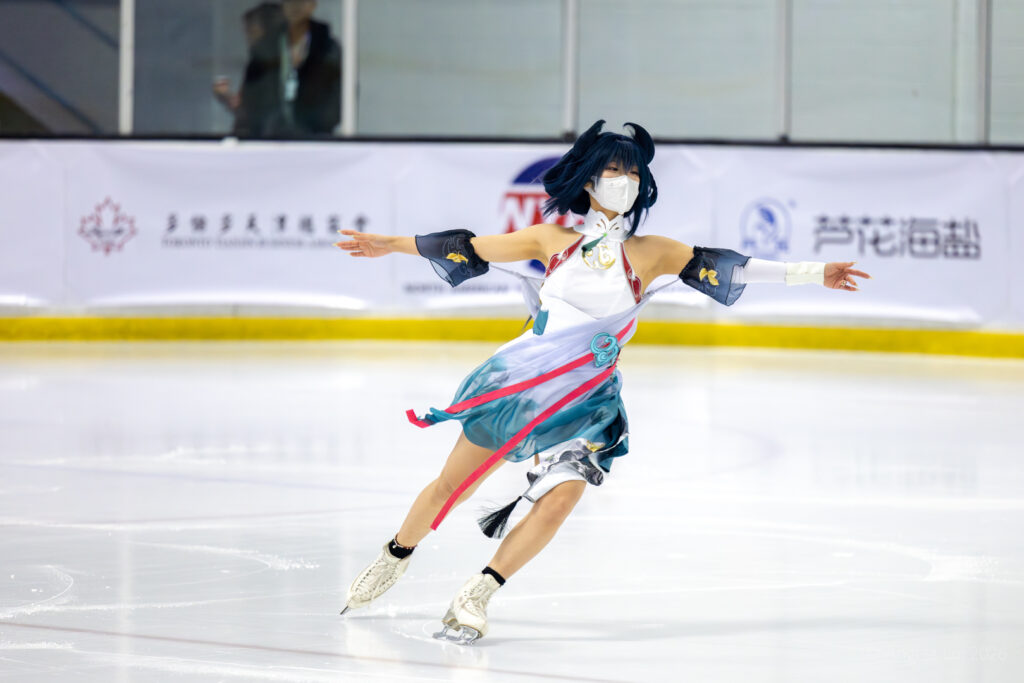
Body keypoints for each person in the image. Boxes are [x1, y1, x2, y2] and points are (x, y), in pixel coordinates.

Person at [333, 120, 870, 644]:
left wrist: (814, 272)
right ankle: (395, 555)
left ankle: (478, 593)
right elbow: (471, 247)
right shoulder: (550, 238)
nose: (625, 181)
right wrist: (391, 244)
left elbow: (734, 265)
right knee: (455, 485)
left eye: (633, 173)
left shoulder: (652, 251)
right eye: (614, 171)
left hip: (587, 399)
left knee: (561, 499)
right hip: (523, 383)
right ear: (589, 180)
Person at [233, 0, 341, 137]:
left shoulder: (328, 49)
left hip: (314, 139)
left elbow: (338, 96)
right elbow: (251, 97)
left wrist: (320, 126)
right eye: (289, 2)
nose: (294, 7)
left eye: (301, 2)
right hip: (268, 139)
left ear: (312, 6)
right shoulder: (265, 48)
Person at [212, 3, 287, 116]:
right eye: (247, 32)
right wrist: (226, 96)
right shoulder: (258, 66)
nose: (248, 39)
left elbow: (251, 115)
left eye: (252, 32)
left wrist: (225, 96)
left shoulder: (274, 68)